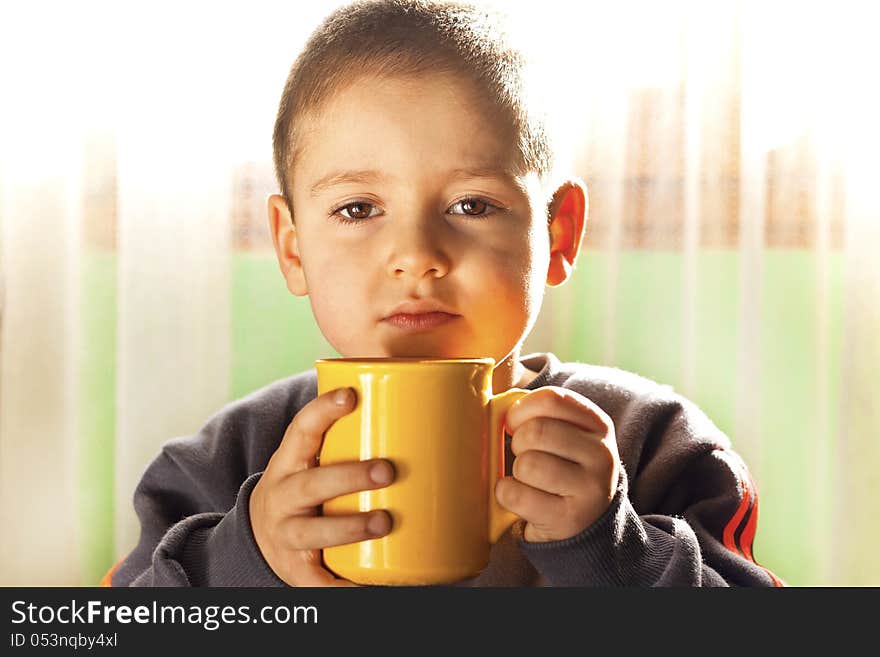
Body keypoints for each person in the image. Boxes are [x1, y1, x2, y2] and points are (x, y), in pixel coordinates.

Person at [102, 0, 783, 587]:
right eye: (359, 209)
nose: (417, 257)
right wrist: (245, 559)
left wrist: (613, 546)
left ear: (559, 231)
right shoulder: (227, 463)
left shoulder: (656, 445)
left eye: (472, 205)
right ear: (292, 248)